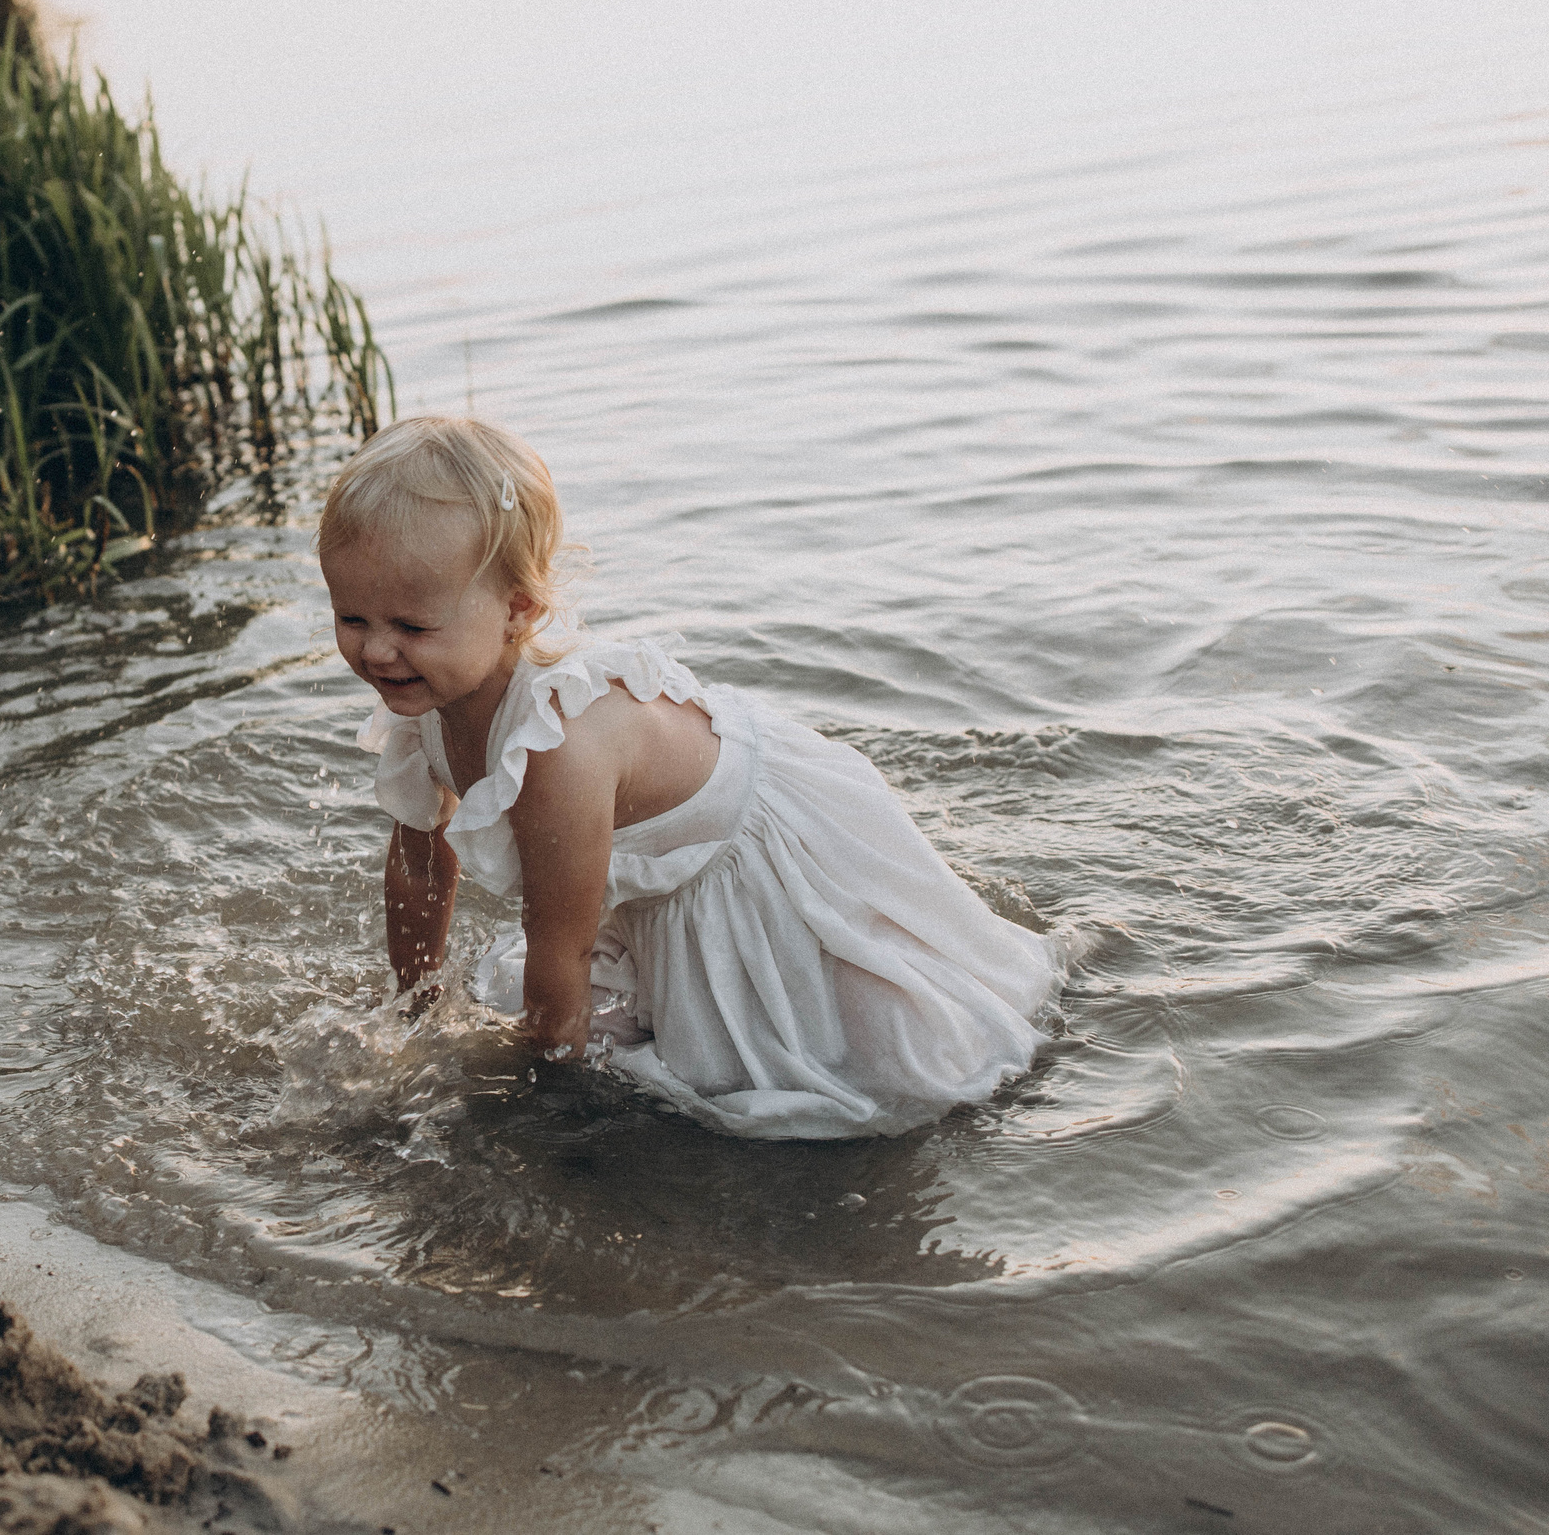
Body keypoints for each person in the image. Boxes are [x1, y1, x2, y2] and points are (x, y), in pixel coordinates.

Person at [321, 416, 1063, 1138]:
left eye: (412, 627)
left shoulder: (557, 749)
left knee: (870, 1051)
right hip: (646, 876)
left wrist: (537, 1105)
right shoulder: (423, 702)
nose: (378, 653)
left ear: (516, 611)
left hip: (749, 861)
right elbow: (419, 870)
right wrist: (412, 1007)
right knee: (596, 1030)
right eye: (352, 617)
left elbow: (561, 948)